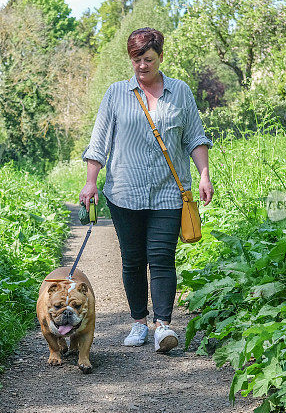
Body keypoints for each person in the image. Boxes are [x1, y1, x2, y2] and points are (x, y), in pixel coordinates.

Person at [80, 27, 213, 353]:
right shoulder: (115, 94)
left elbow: (195, 137)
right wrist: (91, 181)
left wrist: (204, 175)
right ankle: (139, 322)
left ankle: (163, 325)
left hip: (170, 190)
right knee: (133, 260)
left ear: (160, 57)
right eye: (136, 59)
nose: (142, 65)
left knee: (162, 256)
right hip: (125, 192)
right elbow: (100, 140)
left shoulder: (179, 92)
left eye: (148, 58)